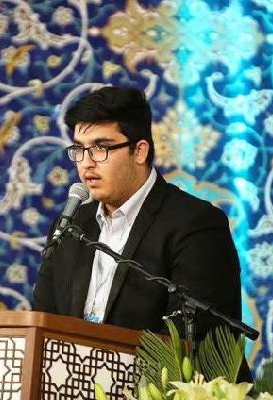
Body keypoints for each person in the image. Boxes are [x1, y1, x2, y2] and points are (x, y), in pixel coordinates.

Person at [33, 86, 244, 348]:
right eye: (79, 149)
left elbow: (200, 341)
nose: (86, 162)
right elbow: (43, 324)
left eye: (101, 147)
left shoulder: (196, 225)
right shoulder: (69, 227)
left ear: (140, 151)